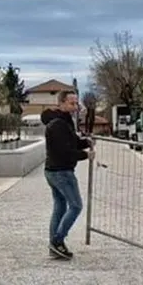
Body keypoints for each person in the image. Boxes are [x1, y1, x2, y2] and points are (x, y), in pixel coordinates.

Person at [41, 90, 94, 260]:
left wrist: (85, 142)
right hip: (60, 172)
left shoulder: (65, 122)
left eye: (76, 103)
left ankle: (55, 246)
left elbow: (72, 142)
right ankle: (56, 241)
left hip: (55, 171)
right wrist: (86, 155)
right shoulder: (57, 125)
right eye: (71, 103)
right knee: (76, 206)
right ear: (61, 103)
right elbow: (65, 151)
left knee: (60, 207)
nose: (75, 106)